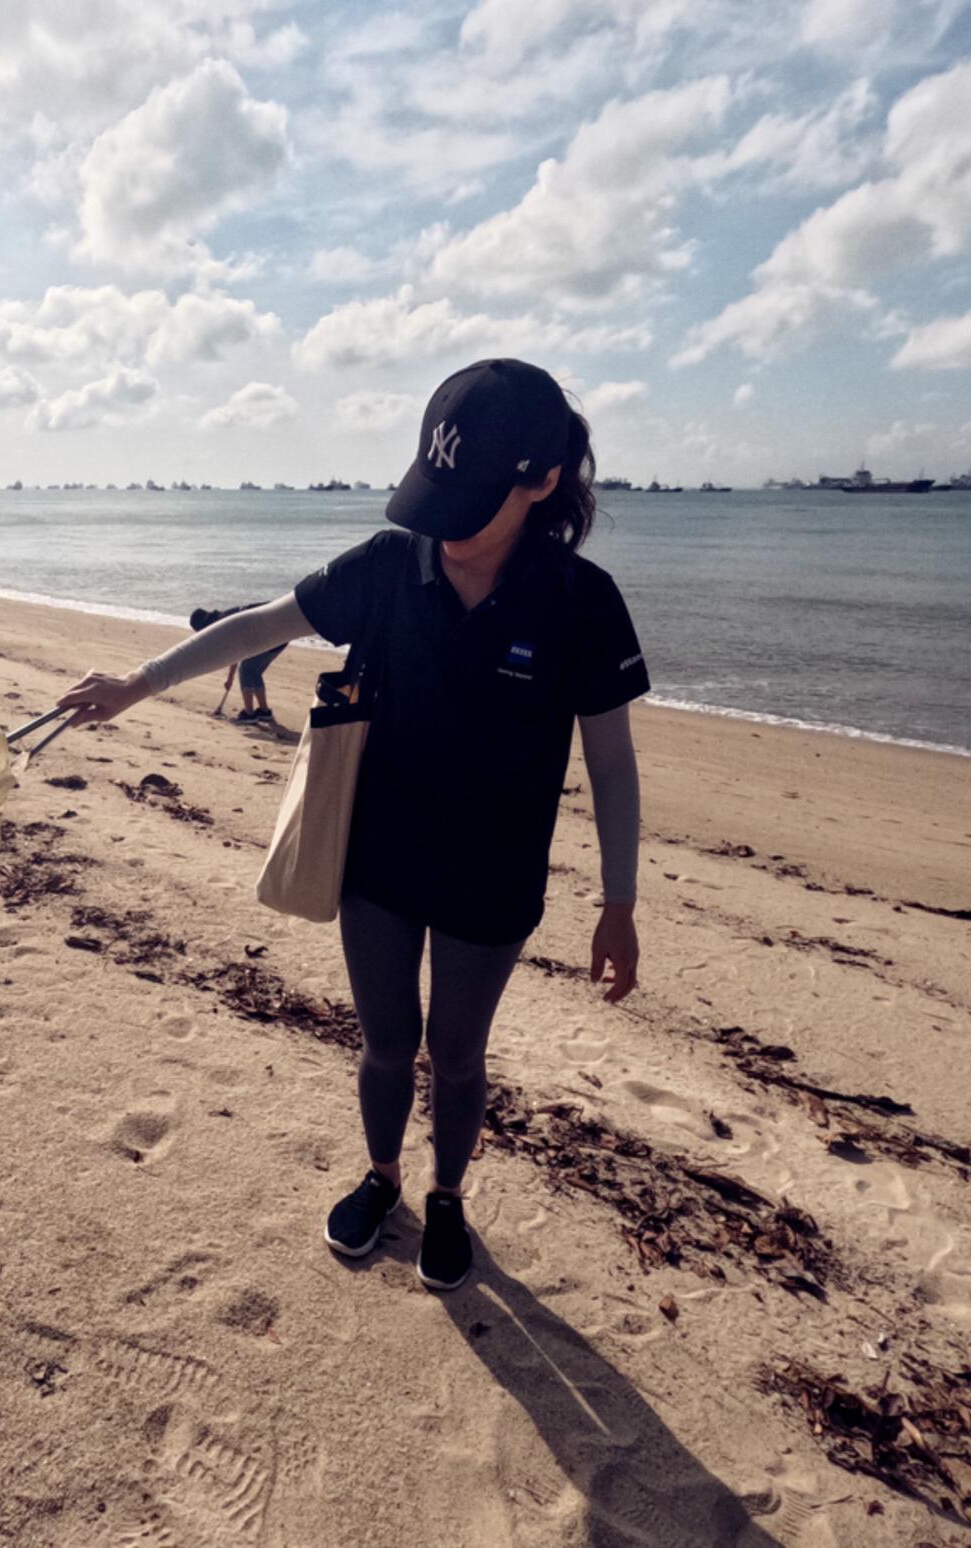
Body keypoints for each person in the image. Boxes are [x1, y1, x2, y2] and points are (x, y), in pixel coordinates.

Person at [59, 360, 648, 1292]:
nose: (442, 526)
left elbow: (612, 765)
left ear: (540, 483)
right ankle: (382, 1179)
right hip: (375, 861)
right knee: (382, 1042)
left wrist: (618, 902)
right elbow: (258, 626)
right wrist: (140, 682)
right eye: (437, 493)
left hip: (492, 882)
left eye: (470, 502)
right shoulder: (388, 565)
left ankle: (448, 1195)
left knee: (457, 1056)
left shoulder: (582, 603)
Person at [189, 604, 286, 722]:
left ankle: (249, 713)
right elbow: (236, 650)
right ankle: (264, 711)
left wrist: (230, 678)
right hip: (283, 633)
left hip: (271, 634)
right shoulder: (224, 615)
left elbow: (235, 653)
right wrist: (230, 678)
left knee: (246, 669)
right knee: (254, 671)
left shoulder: (221, 626)